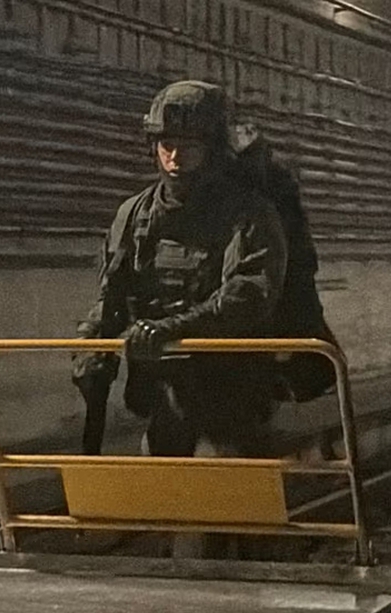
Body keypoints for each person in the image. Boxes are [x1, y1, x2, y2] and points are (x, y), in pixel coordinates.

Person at [72, 80, 290, 458]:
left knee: (234, 487)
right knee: (161, 485)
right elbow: (112, 296)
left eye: (189, 147)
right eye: (166, 145)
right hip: (165, 395)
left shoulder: (249, 214)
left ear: (213, 151)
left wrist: (169, 329)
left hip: (231, 395)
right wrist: (89, 347)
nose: (174, 158)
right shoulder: (134, 215)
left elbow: (249, 297)